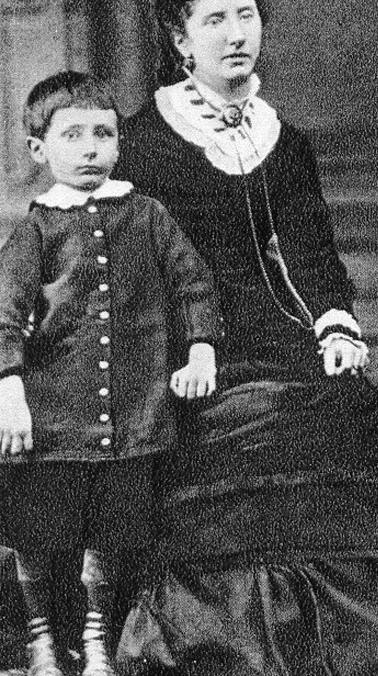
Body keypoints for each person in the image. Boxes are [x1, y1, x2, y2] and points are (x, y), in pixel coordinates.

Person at [113, 0, 378, 675]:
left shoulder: (284, 143)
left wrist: (335, 325)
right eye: (215, 20)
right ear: (181, 39)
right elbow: (130, 275)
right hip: (185, 344)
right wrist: (175, 352)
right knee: (247, 421)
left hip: (278, 329)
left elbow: (311, 255)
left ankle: (352, 638)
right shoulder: (142, 143)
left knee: (343, 404)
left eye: (246, 15)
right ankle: (229, 639)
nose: (236, 34)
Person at [0, 71, 221, 676]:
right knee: (38, 530)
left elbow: (193, 285)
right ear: (39, 149)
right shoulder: (37, 229)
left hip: (133, 414)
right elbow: (4, 316)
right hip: (51, 419)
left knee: (112, 534)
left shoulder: (148, 216)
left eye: (103, 133)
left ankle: (97, 639)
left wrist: (201, 350)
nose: (91, 148)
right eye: (72, 135)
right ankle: (42, 641)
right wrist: (10, 393)